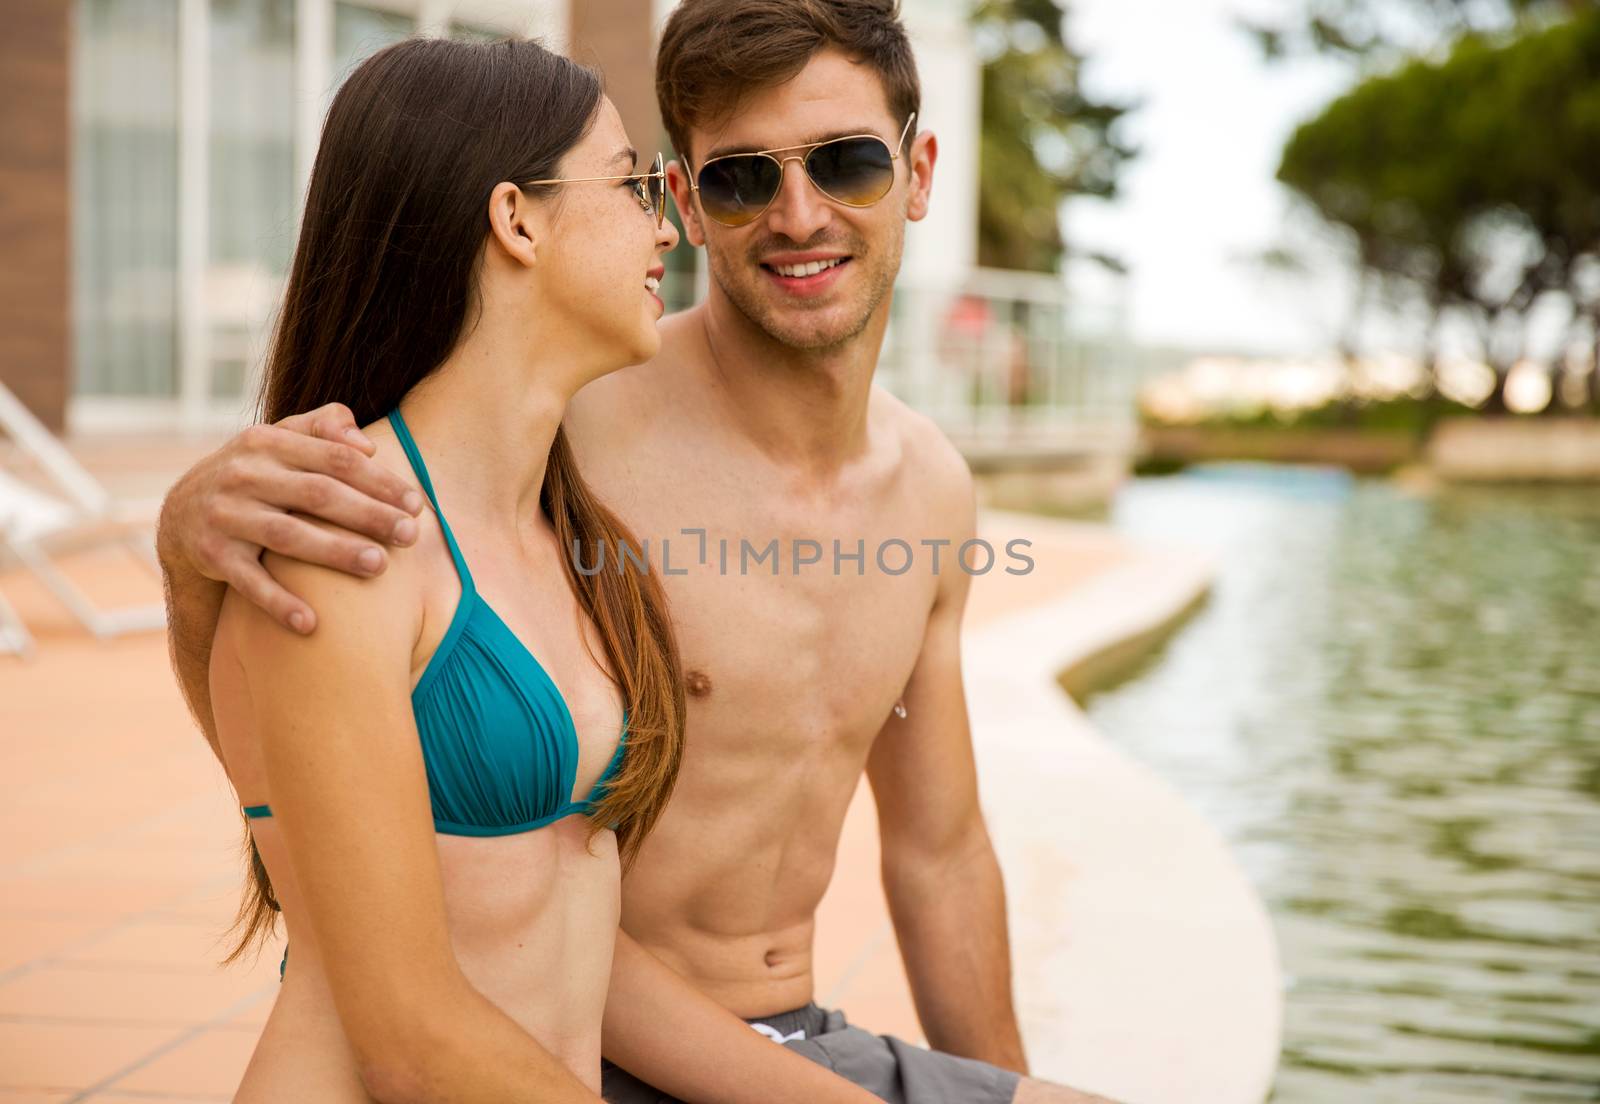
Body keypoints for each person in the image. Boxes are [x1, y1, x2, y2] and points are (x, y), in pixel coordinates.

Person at [162, 3, 1122, 1102]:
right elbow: (311, 786)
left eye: (847, 162)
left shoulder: (933, 488)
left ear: (917, 171)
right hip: (593, 1046)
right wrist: (192, 558)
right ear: (687, 201)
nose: (797, 215)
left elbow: (940, 851)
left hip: (791, 1034)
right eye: (738, 181)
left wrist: (996, 1092)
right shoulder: (564, 436)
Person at [201, 33, 887, 1104]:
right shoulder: (349, 539)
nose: (668, 224)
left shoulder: (558, 535)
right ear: (516, 218)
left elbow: (567, 930)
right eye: (629, 185)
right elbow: (409, 1041)